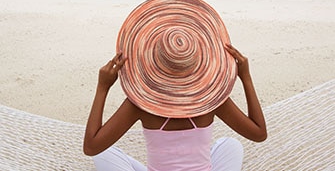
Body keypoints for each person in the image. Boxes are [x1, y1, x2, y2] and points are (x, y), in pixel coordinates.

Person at [83, 43, 267, 171]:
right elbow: (259, 133)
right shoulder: (211, 100)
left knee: (103, 152)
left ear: (154, 63)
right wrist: (246, 78)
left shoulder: (141, 103)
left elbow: (91, 146)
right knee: (231, 144)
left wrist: (103, 87)